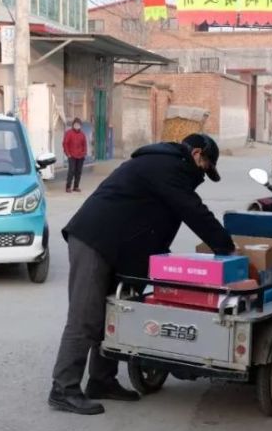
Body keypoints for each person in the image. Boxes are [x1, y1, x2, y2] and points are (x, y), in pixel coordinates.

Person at [49, 134, 236, 415]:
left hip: (117, 245)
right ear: (196, 154)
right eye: (205, 167)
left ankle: (102, 381)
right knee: (85, 317)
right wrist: (227, 248)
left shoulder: (167, 166)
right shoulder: (167, 166)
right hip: (94, 240)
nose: (203, 175)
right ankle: (63, 388)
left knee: (113, 312)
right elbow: (192, 211)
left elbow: (155, 223)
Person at [62, 118, 87, 193]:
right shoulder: (69, 133)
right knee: (71, 171)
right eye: (75, 124)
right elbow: (65, 143)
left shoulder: (82, 134)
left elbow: (85, 145)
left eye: (78, 125)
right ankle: (68, 187)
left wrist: (84, 153)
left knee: (78, 171)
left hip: (80, 156)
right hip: (72, 155)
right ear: (73, 125)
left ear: (80, 126)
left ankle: (76, 186)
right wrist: (68, 154)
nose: (77, 126)